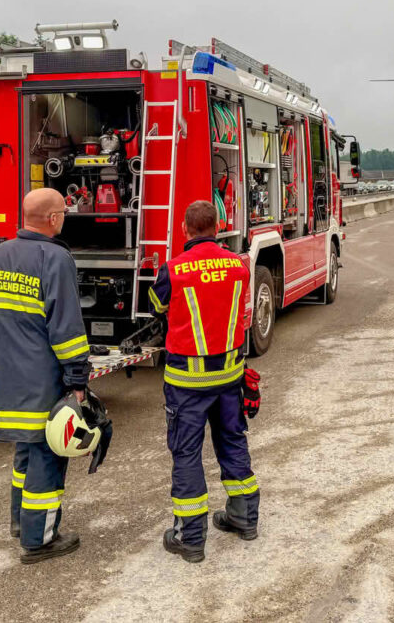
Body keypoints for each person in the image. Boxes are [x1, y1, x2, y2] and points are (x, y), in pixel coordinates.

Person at [0, 188, 90, 564]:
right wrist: (77, 380)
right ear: (54, 218)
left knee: (26, 451)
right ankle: (39, 540)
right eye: (63, 212)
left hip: (11, 375)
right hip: (45, 378)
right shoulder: (55, 258)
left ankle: (21, 522)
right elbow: (66, 327)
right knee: (49, 455)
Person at [148, 200, 259, 563]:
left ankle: (191, 538)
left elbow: (157, 307)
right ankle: (244, 518)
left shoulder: (174, 270)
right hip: (229, 375)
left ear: (184, 228)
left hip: (187, 382)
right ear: (218, 226)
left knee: (187, 454)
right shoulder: (238, 266)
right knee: (232, 442)